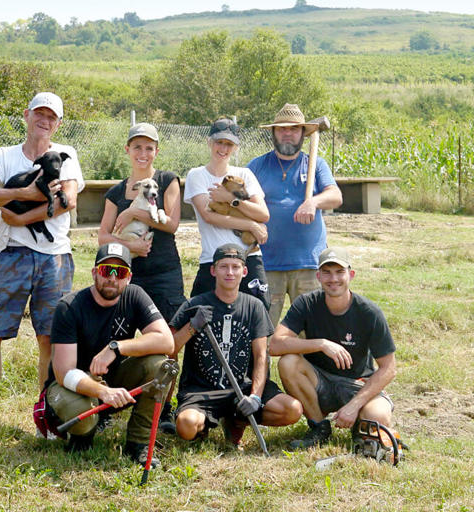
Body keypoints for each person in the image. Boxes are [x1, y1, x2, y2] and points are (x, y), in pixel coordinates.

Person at [0, 92, 85, 430]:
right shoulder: (4, 156)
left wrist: (20, 217)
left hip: (55, 257)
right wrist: (24, 193)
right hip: (12, 255)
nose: (44, 122)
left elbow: (69, 200)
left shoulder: (66, 155)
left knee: (50, 336)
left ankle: (46, 412)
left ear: (58, 123)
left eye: (51, 117)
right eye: (39, 114)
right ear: (26, 115)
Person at [39, 242, 175, 466]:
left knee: (161, 366)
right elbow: (63, 372)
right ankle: (81, 437)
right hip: (72, 385)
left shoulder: (135, 295)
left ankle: (139, 444)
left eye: (120, 272)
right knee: (78, 411)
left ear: (129, 277)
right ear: (94, 273)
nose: (112, 278)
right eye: (106, 270)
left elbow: (166, 341)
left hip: (115, 376)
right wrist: (103, 392)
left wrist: (116, 347)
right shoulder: (69, 306)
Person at [98, 123, 186, 430]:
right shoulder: (115, 191)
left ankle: (162, 410)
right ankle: (108, 405)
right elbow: (103, 237)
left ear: (156, 151)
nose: (143, 153)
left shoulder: (166, 180)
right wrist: (130, 244)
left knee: (170, 340)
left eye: (149, 148)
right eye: (137, 147)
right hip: (125, 274)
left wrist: (135, 213)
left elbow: (172, 224)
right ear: (127, 150)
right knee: (116, 339)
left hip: (164, 272)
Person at [169, 244, 302, 447]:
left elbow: (260, 356)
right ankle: (203, 426)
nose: (230, 272)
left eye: (235, 267)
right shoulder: (194, 305)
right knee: (186, 426)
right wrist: (192, 326)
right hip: (202, 389)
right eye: (223, 267)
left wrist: (256, 397)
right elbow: (171, 349)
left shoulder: (254, 307)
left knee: (292, 410)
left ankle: (237, 421)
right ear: (213, 270)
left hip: (243, 387)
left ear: (245, 271)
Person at [270, 247, 396, 449]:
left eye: (339, 272)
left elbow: (388, 368)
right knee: (288, 362)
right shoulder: (307, 303)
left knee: (377, 416)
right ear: (318, 276)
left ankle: (361, 427)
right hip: (319, 381)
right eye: (327, 272)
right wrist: (320, 344)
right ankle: (319, 427)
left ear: (351, 275)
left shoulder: (369, 312)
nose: (333, 279)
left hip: (357, 383)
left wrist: (354, 405)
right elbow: (275, 345)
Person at [248, 103, 343, 325]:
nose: (287, 134)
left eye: (294, 129)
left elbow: (336, 196)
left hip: (308, 265)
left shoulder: (316, 165)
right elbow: (241, 202)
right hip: (267, 263)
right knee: (262, 332)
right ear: (273, 133)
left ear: (303, 133)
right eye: (282, 129)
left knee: (312, 330)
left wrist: (313, 202)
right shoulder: (257, 166)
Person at [183, 118, 271, 309]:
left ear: (236, 147)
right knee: (200, 316)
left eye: (229, 144)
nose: (223, 148)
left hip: (249, 257)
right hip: (213, 258)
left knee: (259, 313)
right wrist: (251, 225)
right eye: (219, 142)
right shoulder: (196, 175)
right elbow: (210, 216)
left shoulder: (245, 174)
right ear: (209, 143)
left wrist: (232, 199)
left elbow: (263, 214)